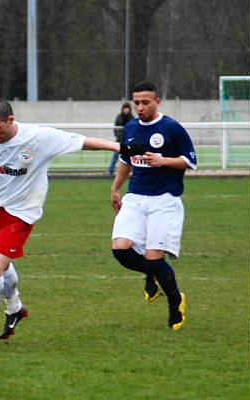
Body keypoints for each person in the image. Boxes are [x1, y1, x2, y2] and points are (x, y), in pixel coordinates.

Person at [0, 99, 145, 349]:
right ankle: (16, 307)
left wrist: (121, 147)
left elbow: (83, 142)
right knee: (1, 265)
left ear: (10, 120)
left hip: (22, 213)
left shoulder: (38, 137)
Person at [110, 81, 197, 331]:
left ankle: (175, 300)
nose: (140, 107)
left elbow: (190, 161)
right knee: (121, 249)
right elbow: (126, 161)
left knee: (153, 256)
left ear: (157, 102)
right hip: (136, 196)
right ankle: (153, 275)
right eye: (136, 102)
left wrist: (163, 160)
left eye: (145, 102)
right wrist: (115, 188)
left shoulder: (171, 128)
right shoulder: (130, 128)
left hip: (165, 199)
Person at [107, 102, 134, 176]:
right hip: (119, 140)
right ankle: (110, 171)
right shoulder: (119, 117)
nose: (126, 110)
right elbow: (115, 127)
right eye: (125, 108)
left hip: (128, 141)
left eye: (127, 108)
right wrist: (117, 135)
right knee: (115, 156)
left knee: (130, 156)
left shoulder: (132, 118)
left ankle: (132, 171)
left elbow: (133, 129)